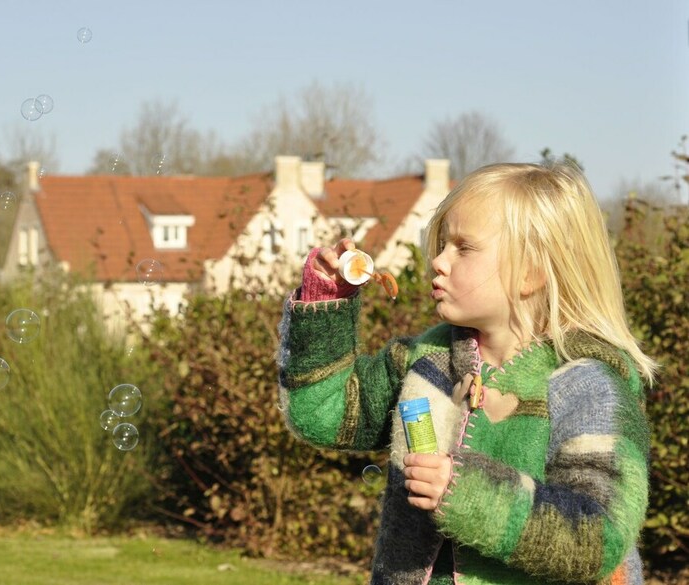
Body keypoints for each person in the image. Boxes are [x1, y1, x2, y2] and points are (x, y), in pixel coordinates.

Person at [276, 162, 656, 585]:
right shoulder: (428, 358)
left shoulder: (590, 388)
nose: (438, 261)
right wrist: (323, 304)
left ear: (530, 272)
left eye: (463, 247)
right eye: (441, 244)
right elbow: (321, 414)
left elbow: (598, 537)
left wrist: (466, 493)